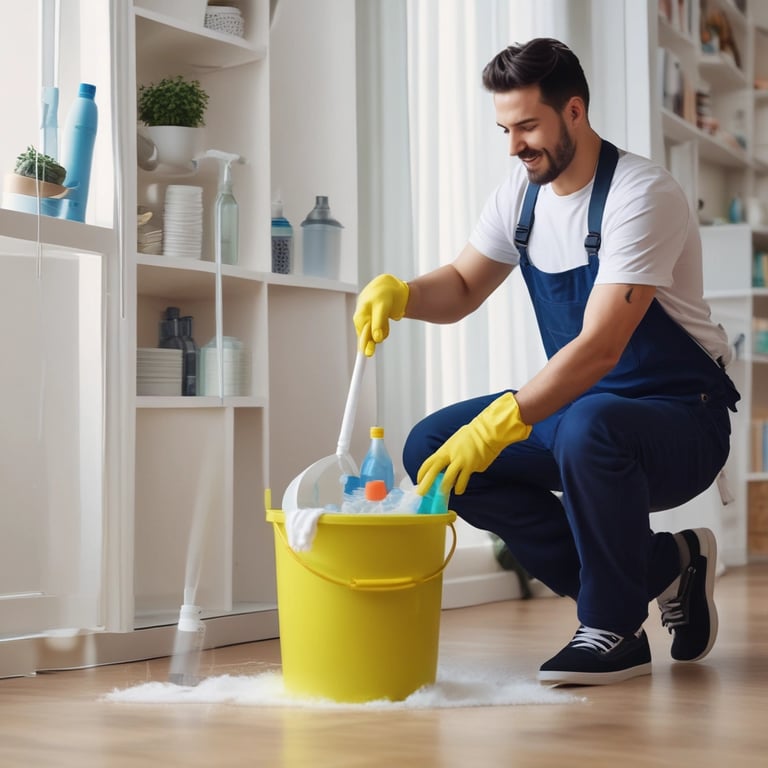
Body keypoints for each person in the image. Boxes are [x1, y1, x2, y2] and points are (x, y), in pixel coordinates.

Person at [353, 38, 740, 685]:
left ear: (575, 112)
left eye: (527, 126)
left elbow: (601, 347)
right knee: (433, 449)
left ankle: (614, 628)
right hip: (586, 410)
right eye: (505, 128)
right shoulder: (522, 196)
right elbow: (466, 285)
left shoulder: (641, 196)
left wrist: (503, 421)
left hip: (682, 420)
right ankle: (662, 566)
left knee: (593, 424)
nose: (514, 146)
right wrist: (403, 294)